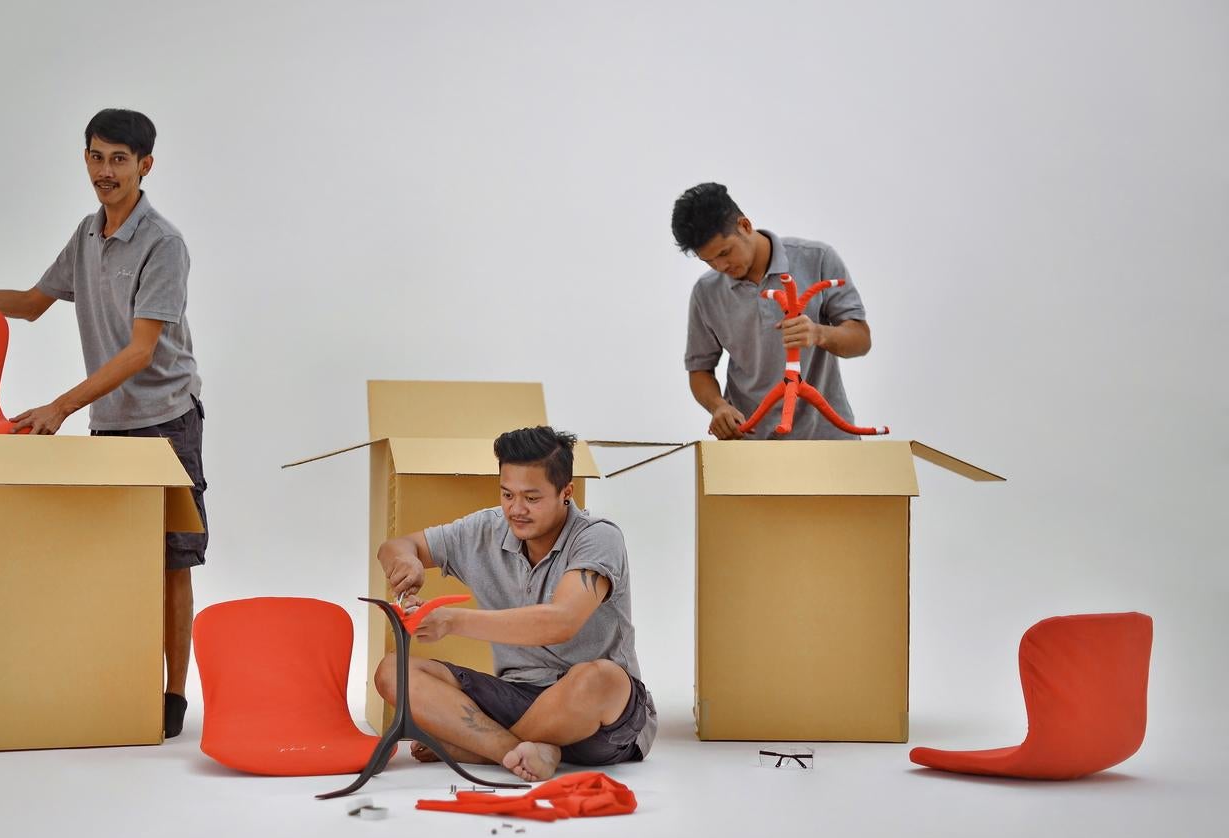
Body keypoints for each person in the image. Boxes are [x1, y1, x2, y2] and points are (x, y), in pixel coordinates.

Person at [0, 108, 205, 740]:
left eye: (119, 159)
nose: (105, 171)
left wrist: (61, 406)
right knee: (115, 558)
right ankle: (120, 679)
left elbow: (141, 350)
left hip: (166, 418)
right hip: (112, 420)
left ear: (146, 166)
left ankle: (173, 697)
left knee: (171, 563)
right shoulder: (86, 236)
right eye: (96, 157)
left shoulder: (163, 243)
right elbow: (34, 305)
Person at [373, 426, 656, 782]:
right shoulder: (486, 529)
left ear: (566, 492)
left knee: (601, 678)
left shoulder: (598, 537)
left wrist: (452, 622)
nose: (516, 510)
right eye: (507, 494)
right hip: (516, 695)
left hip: (597, 718)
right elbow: (395, 546)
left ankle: (480, 747)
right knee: (392, 672)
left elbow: (560, 622)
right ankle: (523, 751)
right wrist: (408, 562)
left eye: (532, 498)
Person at [672, 182, 872, 440]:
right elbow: (699, 369)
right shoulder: (706, 292)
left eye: (725, 252)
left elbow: (861, 340)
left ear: (745, 226)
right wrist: (718, 406)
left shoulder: (817, 258)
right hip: (751, 445)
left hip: (828, 440)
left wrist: (818, 334)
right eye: (709, 261)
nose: (720, 266)